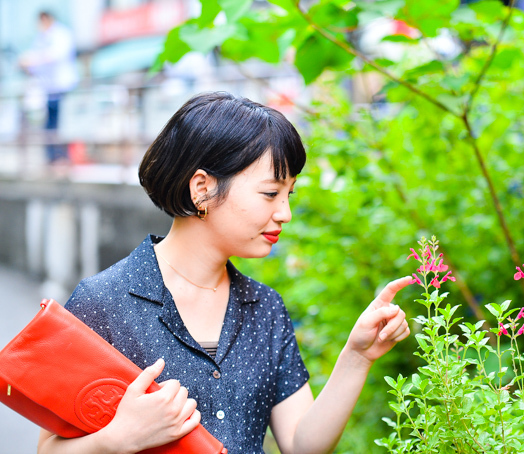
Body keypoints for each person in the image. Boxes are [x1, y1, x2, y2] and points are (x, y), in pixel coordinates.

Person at [37, 92, 411, 454]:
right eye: (270, 194)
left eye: (289, 195)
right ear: (202, 188)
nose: (285, 213)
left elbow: (300, 444)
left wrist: (357, 356)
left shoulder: (266, 308)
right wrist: (120, 438)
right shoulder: (103, 301)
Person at [19, 11, 79, 165]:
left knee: (63, 124)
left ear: (46, 19)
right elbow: (37, 62)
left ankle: (63, 158)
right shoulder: (41, 37)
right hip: (48, 89)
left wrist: (33, 60)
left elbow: (55, 56)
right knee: (50, 125)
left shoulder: (61, 34)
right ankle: (53, 159)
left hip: (63, 86)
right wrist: (28, 65)